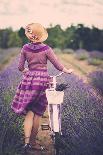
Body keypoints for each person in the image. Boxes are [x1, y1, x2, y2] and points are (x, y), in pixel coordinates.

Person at [11, 23, 73, 152]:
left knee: (29, 113)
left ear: (30, 35)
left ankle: (26, 143)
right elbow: (57, 65)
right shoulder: (46, 49)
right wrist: (66, 70)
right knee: (37, 113)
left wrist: (26, 71)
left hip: (29, 82)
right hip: (42, 82)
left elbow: (20, 67)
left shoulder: (25, 48)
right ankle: (33, 143)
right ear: (40, 36)